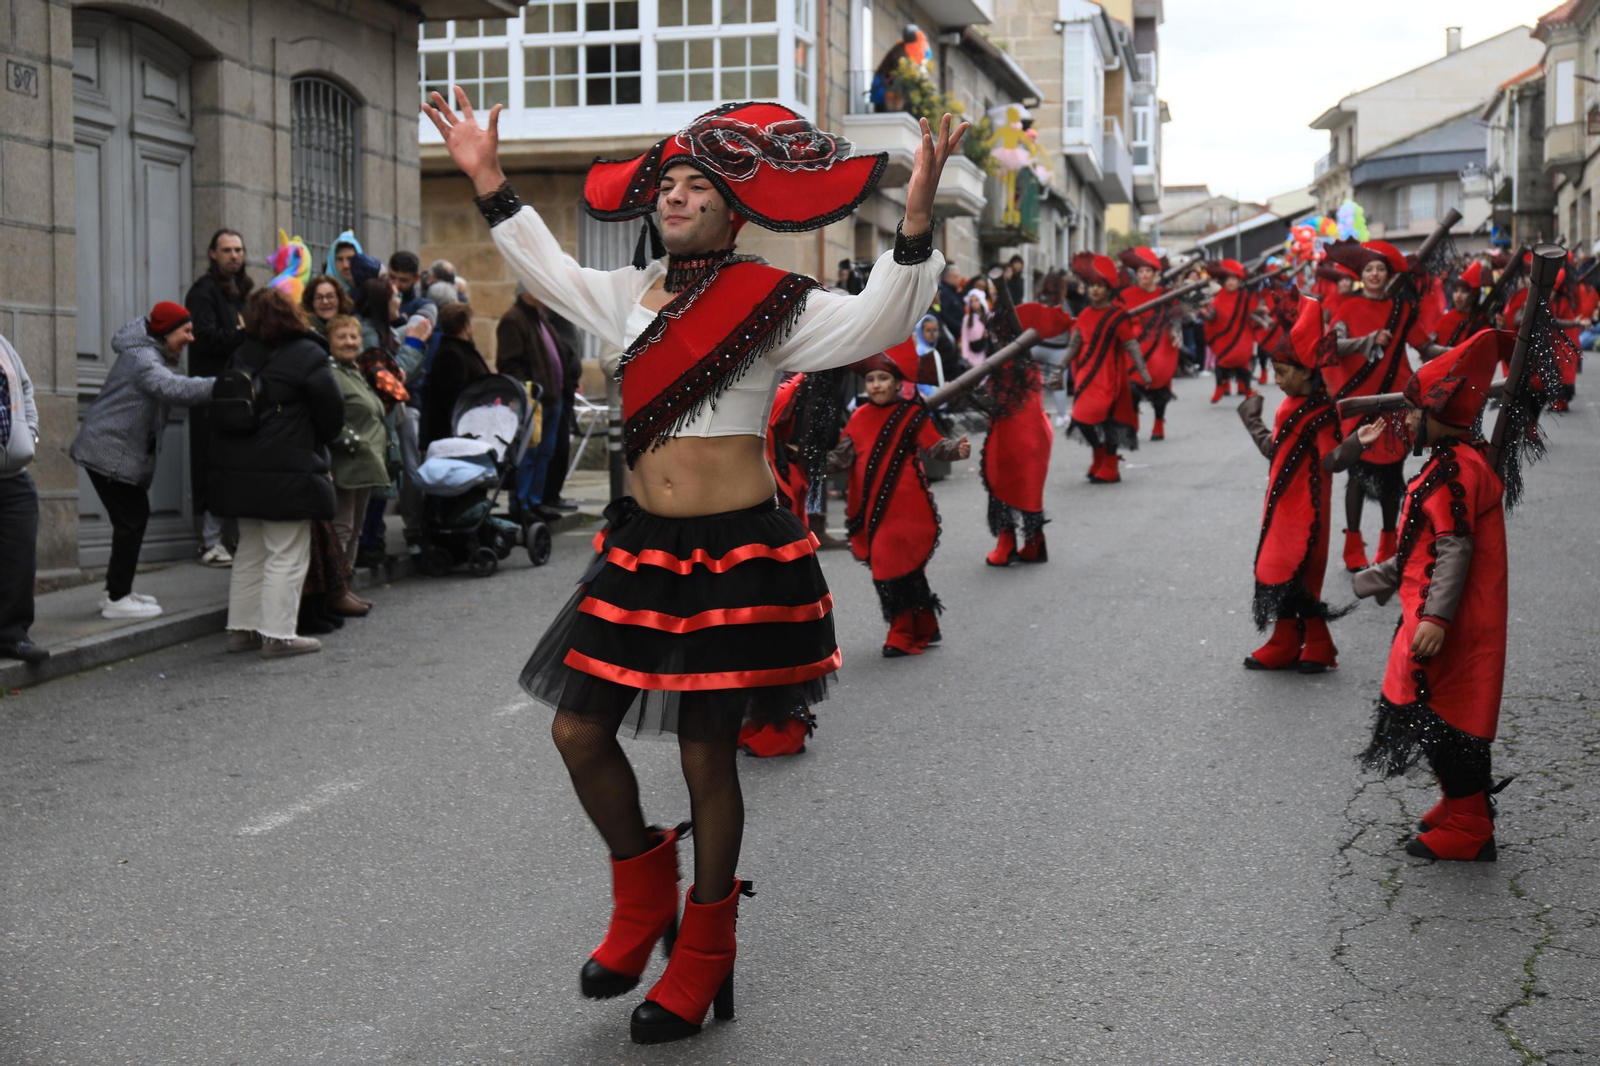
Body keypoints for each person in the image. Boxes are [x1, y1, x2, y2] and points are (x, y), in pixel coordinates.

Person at [424, 87, 962, 1044]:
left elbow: (879, 319)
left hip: (738, 550)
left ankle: (708, 949)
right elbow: (546, 269)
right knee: (579, 734)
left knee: (707, 752)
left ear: (735, 207)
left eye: (694, 185)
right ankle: (645, 896)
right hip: (644, 547)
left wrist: (914, 222)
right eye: (666, 183)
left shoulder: (775, 302)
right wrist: (489, 180)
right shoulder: (625, 297)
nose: (673, 196)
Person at [1354, 328, 1517, 862]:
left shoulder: (1453, 469)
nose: (1404, 421)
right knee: (1440, 713)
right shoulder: (1455, 460)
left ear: (1438, 413)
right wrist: (1374, 581)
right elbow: (1417, 547)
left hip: (1448, 620)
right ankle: (1459, 802)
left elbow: (1453, 549)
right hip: (1434, 609)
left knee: (1438, 714)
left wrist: (1436, 619)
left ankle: (1470, 823)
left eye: (1412, 411)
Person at [208, 287, 345, 659]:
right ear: (293, 314)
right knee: (286, 551)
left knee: (250, 550)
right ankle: (279, 635)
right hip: (289, 468)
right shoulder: (309, 353)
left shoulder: (240, 353)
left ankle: (242, 630)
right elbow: (331, 414)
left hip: (241, 470)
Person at [70, 302, 216, 620]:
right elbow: (171, 387)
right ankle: (118, 598)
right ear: (165, 332)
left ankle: (116, 591)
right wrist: (221, 385)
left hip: (109, 449)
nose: (191, 338)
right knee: (132, 519)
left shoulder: (147, 352)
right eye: (186, 331)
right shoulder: (143, 357)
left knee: (131, 519)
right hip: (108, 450)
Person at [827, 340, 969, 655]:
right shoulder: (859, 417)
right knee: (903, 569)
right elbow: (842, 457)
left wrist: (955, 450)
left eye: (883, 379)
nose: (876, 385)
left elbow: (935, 446)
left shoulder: (912, 414)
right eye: (871, 379)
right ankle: (927, 625)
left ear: (897, 384)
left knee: (891, 571)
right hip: (872, 509)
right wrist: (809, 461)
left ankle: (901, 633)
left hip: (908, 508)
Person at [1235, 292, 1346, 673]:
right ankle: (1299, 642)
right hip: (1282, 507)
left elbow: (1332, 462)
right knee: (1280, 571)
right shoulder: (1288, 406)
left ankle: (1308, 643)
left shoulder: (1322, 412)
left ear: (1307, 371)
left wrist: (1355, 446)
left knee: (1294, 572)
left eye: (1283, 372)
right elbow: (1275, 450)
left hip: (1308, 510)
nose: (1278, 380)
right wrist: (1252, 420)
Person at [1323, 239, 1425, 572]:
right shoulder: (1348, 309)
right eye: (1369, 269)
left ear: (1388, 274)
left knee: (1392, 477)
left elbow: (1427, 345)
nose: (1375, 273)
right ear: (1361, 275)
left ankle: (1389, 544)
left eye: (1381, 268)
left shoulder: (1403, 309)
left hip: (1396, 405)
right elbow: (1332, 345)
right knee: (1356, 476)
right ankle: (1353, 546)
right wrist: (1369, 340)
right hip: (1358, 405)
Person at [982, 300, 1072, 564]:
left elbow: (1000, 400)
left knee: (1004, 486)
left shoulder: (1011, 365)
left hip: (1018, 435)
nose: (997, 338)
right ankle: (1034, 543)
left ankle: (1007, 544)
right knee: (1025, 490)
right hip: (1029, 435)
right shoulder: (1023, 363)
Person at [185, 228, 253, 568]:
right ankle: (210, 542)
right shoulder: (204, 292)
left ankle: (233, 538)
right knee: (213, 465)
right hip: (213, 393)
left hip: (240, 393)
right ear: (213, 254)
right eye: (226, 250)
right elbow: (206, 339)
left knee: (237, 466)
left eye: (238, 249)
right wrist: (243, 334)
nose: (234, 256)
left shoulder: (242, 293)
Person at [1064, 252, 1150, 485]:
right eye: (1091, 286)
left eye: (1099, 286)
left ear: (1108, 290)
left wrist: (1143, 372)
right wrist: (1060, 367)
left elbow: (1131, 346)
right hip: (1085, 376)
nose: (1094, 290)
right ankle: (1099, 454)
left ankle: (1110, 465)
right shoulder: (1083, 315)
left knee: (1108, 419)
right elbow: (1075, 344)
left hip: (1110, 377)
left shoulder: (1117, 316)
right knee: (1081, 418)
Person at [326, 314, 393, 582]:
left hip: (365, 462)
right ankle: (334, 589)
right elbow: (328, 416)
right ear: (329, 341)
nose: (349, 342)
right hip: (347, 462)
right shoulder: (331, 374)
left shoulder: (355, 372)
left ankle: (345, 584)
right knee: (342, 528)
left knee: (355, 530)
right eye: (341, 337)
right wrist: (355, 443)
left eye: (353, 336)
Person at [497, 285, 565, 517]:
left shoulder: (539, 317)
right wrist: (526, 392)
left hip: (551, 398)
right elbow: (508, 363)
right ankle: (522, 505)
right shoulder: (513, 320)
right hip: (533, 400)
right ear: (527, 292)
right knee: (528, 455)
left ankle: (535, 502)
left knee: (545, 452)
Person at [0, 331, 46, 663]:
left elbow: (25, 387)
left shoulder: (2, 344)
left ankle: (13, 635)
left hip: (14, 474)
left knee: (19, 555)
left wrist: (29, 434)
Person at [1117, 247, 1181, 441]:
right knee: (1132, 387)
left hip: (1161, 347)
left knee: (1160, 389)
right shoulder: (1126, 295)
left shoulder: (1167, 294)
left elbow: (1175, 317)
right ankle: (1133, 421)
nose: (1144, 275)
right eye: (1141, 272)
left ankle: (1158, 424)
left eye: (1148, 271)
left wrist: (1174, 332)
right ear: (1136, 275)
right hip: (1135, 349)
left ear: (1155, 274)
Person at [421, 302, 491, 448]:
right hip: (455, 434)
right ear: (464, 325)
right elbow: (455, 397)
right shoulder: (451, 354)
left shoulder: (460, 350)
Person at [1198, 258, 1257, 403]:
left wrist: (1260, 311)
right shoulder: (1219, 296)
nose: (1231, 283)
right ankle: (1220, 388)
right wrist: (1205, 314)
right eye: (1228, 280)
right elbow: (1212, 312)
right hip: (1224, 337)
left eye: (1234, 279)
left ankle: (1247, 389)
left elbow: (1253, 310)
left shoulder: (1245, 295)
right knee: (1221, 364)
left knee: (1244, 365)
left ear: (1239, 281)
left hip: (1242, 335)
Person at [959, 286, 989, 367]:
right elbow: (965, 339)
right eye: (972, 301)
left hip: (987, 352)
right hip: (973, 355)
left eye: (977, 300)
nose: (974, 303)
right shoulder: (967, 319)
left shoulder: (989, 317)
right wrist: (966, 358)